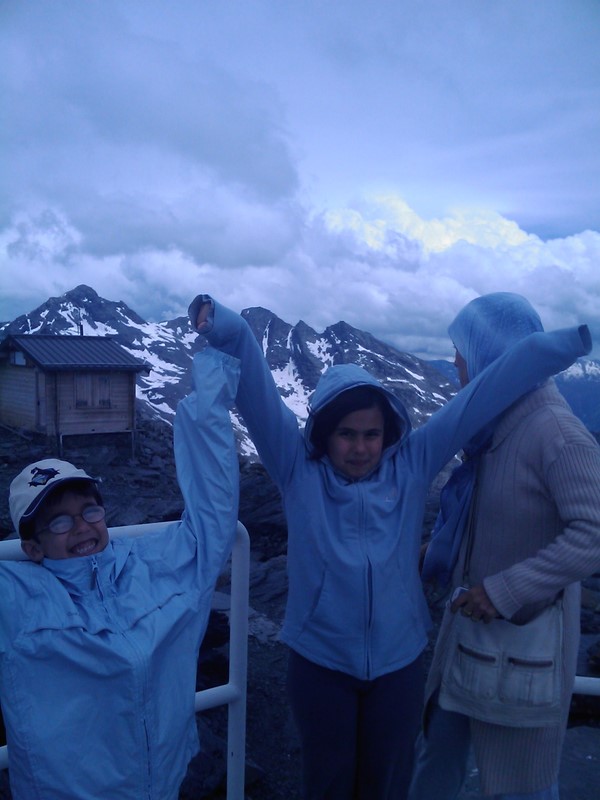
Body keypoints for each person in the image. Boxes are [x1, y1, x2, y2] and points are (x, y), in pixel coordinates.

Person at [189, 292, 591, 800]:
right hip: (319, 663)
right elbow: (258, 395)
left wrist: (562, 346)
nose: (360, 448)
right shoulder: (296, 470)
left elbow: (483, 394)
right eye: (346, 434)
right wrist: (222, 325)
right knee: (329, 784)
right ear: (323, 433)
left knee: (389, 785)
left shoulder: (412, 463)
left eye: (372, 434)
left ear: (389, 432)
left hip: (399, 665)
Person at [0, 347, 240, 800]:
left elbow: (213, 518)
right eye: (59, 522)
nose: (81, 527)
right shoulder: (18, 597)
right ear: (32, 547)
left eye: (89, 510)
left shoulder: (152, 564)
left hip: (166, 783)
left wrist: (212, 387)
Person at [409, 293, 600, 800]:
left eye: (461, 351)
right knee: (436, 756)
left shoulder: (555, 432)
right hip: (470, 636)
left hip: (521, 643)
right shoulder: (498, 423)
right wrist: (438, 551)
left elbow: (594, 532)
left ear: (490, 353)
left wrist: (503, 591)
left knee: (521, 783)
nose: (455, 363)